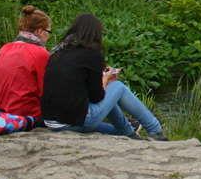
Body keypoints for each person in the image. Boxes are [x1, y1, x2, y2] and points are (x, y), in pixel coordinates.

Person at [40, 12, 168, 141]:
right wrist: (106, 79)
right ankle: (155, 130)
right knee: (118, 87)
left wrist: (104, 81)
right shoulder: (91, 54)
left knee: (111, 92)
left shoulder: (58, 51)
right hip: (73, 122)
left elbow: (76, 86)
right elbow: (97, 97)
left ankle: (129, 134)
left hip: (50, 121)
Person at [0, 5, 51, 124]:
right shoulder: (40, 53)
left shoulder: (4, 49)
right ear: (40, 32)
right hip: (29, 116)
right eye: (49, 32)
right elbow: (47, 93)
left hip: (2, 115)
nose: (49, 36)